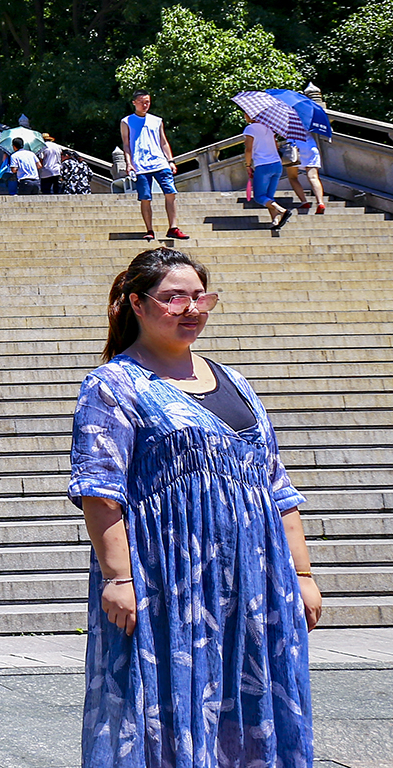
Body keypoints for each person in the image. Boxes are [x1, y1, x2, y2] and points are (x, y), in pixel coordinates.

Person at [70, 248, 318, 768]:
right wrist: (119, 578)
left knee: (253, 694)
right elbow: (99, 488)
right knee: (166, 697)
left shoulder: (234, 380)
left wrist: (302, 573)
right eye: (173, 297)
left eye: (200, 296)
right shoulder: (113, 384)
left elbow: (277, 484)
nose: (191, 308)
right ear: (136, 304)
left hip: (256, 576)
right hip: (169, 578)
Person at [120, 92, 187, 241]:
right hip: (140, 164)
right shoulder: (127, 121)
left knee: (170, 193)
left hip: (159, 162)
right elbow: (126, 144)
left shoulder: (157, 120)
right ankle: (149, 229)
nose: (145, 105)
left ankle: (173, 227)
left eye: (148, 102)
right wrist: (129, 163)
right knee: (145, 197)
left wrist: (170, 160)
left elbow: (163, 141)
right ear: (134, 102)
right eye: (142, 102)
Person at [241, 120, 294, 235]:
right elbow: (275, 145)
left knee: (259, 197)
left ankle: (282, 211)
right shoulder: (269, 127)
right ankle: (275, 221)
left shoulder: (250, 128)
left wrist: (248, 165)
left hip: (263, 165)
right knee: (269, 197)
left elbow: (248, 149)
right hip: (277, 164)